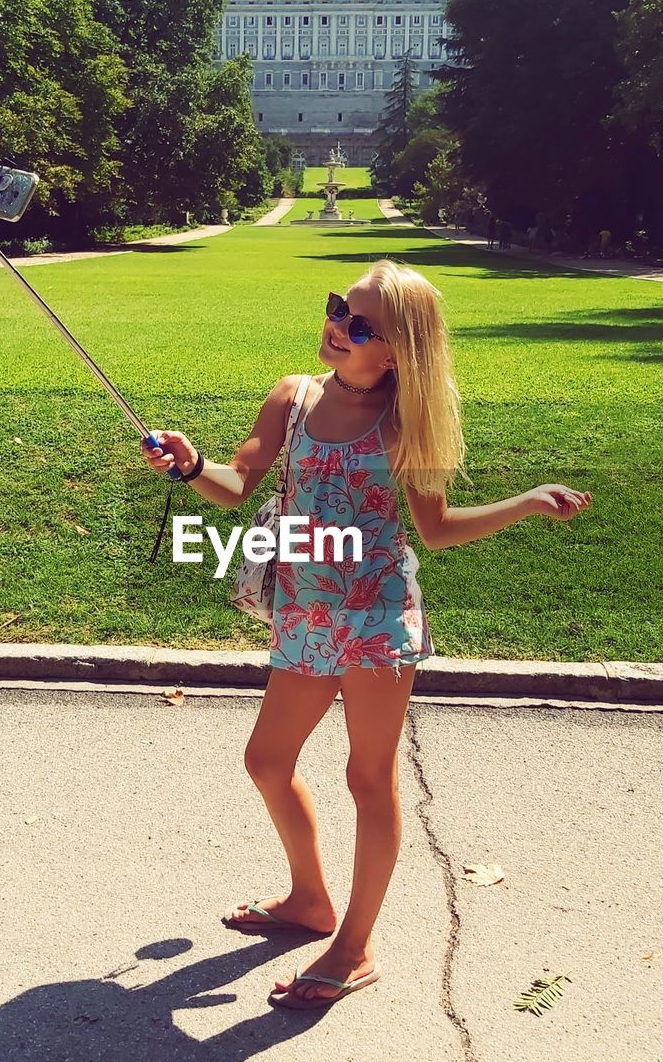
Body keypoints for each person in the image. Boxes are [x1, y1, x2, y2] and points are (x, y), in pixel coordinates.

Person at [141, 260, 592, 1011]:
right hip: (305, 610)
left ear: (398, 350)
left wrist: (526, 501)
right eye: (334, 309)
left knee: (367, 777)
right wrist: (189, 465)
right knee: (265, 760)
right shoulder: (294, 396)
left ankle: (352, 946)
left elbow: (436, 530)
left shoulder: (407, 422)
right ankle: (309, 901)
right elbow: (235, 484)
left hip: (376, 616)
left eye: (358, 325)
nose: (335, 328)